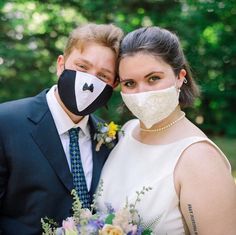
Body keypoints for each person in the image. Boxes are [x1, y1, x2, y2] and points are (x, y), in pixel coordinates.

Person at [97, 26, 236, 234]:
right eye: (130, 83)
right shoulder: (127, 131)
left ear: (180, 76)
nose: (141, 93)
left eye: (153, 78)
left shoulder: (199, 159)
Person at [0, 23, 123, 235]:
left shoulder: (111, 140)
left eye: (103, 76)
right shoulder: (6, 122)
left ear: (114, 84)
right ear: (61, 64)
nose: (90, 82)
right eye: (82, 67)